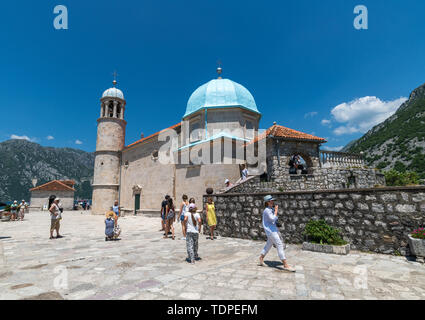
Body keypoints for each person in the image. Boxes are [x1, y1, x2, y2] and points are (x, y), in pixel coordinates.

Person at [258, 195, 295, 272]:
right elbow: (272, 218)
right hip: (271, 231)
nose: (273, 202)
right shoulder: (267, 210)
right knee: (279, 244)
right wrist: (276, 210)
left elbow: (273, 220)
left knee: (268, 245)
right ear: (268, 202)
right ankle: (285, 265)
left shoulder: (269, 209)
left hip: (272, 230)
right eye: (271, 201)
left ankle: (261, 258)